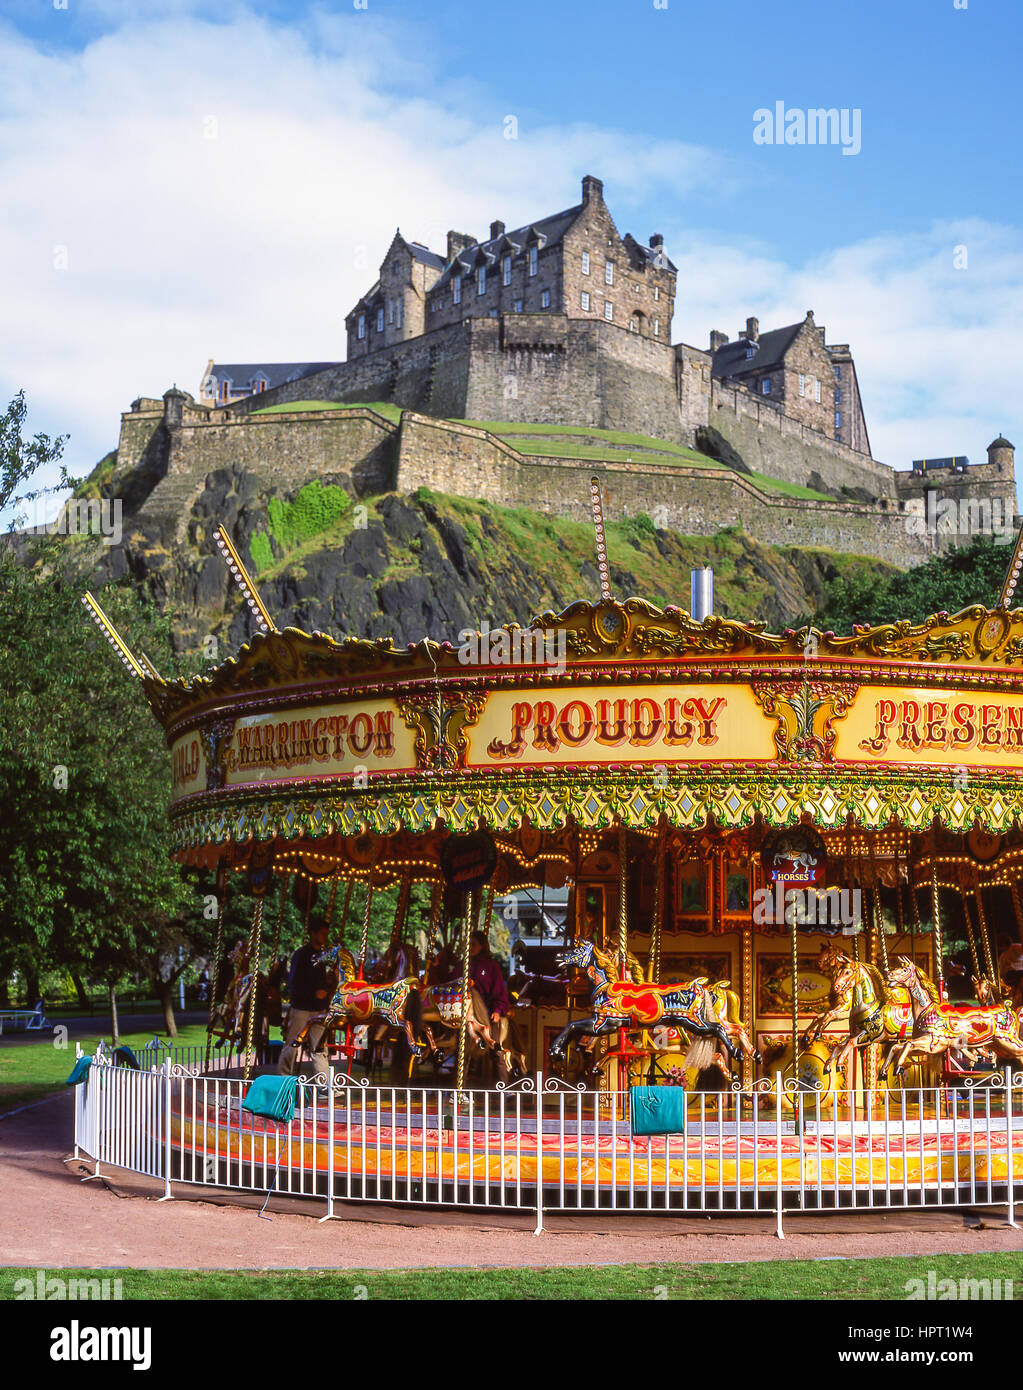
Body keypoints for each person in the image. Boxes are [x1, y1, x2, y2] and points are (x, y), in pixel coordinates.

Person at [279, 922, 331, 1076]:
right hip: (302, 1008)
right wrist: (313, 993)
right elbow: (294, 981)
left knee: (320, 1047)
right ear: (313, 934)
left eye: (326, 934)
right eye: (322, 933)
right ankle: (283, 1077)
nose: (324, 937)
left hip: (318, 1009)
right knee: (293, 1043)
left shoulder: (322, 956)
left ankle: (324, 1084)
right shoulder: (301, 955)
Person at [470, 931, 512, 1078]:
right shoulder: (464, 965)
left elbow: (499, 991)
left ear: (482, 945)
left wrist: (497, 1010)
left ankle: (503, 1087)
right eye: (469, 944)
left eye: (473, 944)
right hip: (467, 1013)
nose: (470, 947)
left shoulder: (491, 966)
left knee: (496, 1050)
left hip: (486, 1012)